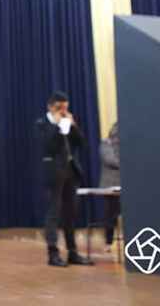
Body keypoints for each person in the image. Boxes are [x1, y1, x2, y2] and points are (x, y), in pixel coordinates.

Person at [35, 91, 93, 267]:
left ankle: (72, 252)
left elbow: (81, 143)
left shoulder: (67, 121)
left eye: (65, 108)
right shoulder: (42, 123)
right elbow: (48, 146)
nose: (63, 111)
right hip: (54, 172)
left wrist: (73, 125)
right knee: (54, 212)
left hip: (70, 171)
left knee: (70, 213)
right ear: (50, 107)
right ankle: (53, 254)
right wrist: (57, 126)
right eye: (59, 107)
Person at [99, 122, 121, 252]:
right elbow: (110, 160)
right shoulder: (106, 143)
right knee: (110, 215)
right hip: (110, 186)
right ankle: (108, 242)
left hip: (125, 185)